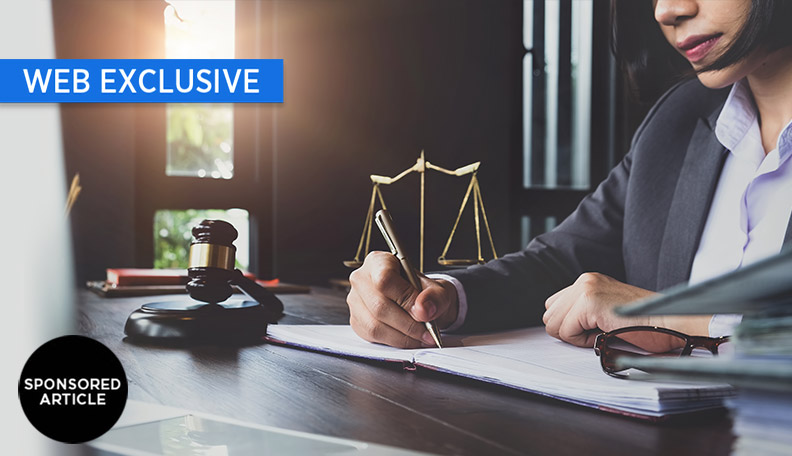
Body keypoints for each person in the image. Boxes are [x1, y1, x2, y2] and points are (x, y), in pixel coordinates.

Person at [346, 0, 792, 352]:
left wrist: (678, 319)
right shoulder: (679, 119)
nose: (666, 10)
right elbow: (562, 263)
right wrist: (439, 297)